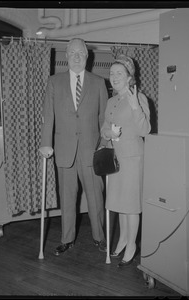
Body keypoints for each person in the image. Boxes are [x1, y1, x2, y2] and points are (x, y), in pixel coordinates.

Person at [39, 38, 108, 255]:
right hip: (64, 150)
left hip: (91, 150)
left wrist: (104, 146)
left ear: (88, 57)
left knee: (96, 197)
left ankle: (99, 237)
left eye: (81, 53)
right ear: (66, 56)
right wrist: (45, 144)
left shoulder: (98, 82)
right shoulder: (54, 81)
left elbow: (104, 118)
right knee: (67, 197)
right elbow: (48, 116)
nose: (77, 57)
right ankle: (67, 239)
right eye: (72, 53)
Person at [101, 54, 151, 267]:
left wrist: (134, 107)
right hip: (115, 159)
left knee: (131, 205)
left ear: (129, 76)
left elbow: (145, 130)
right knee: (119, 203)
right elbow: (103, 128)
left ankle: (132, 244)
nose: (114, 77)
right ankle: (122, 239)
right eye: (112, 73)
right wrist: (109, 133)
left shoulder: (139, 98)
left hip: (132, 159)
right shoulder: (111, 100)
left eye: (119, 73)